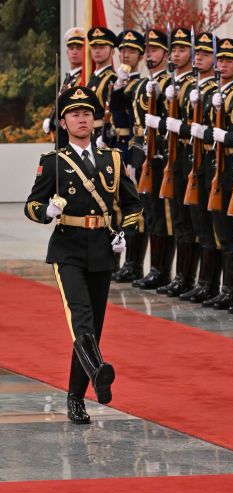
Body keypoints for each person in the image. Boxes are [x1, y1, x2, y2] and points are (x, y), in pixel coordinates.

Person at [24, 86, 143, 424]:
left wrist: (124, 233)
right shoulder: (54, 163)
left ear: (95, 120)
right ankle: (96, 374)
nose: (81, 119)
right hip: (68, 248)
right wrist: (46, 210)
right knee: (81, 319)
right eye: (74, 114)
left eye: (87, 114)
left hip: (102, 250)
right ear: (63, 123)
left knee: (95, 328)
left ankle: (78, 393)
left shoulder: (112, 160)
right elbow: (31, 206)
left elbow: (133, 206)